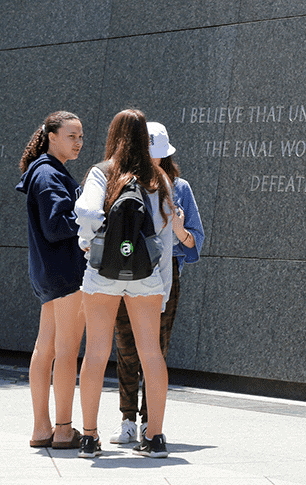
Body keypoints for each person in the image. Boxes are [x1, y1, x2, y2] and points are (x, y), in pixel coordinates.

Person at [75, 109, 174, 458]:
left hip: (103, 272)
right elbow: (165, 238)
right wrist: (161, 288)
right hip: (145, 275)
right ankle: (155, 437)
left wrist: (87, 240)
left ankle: (89, 437)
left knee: (97, 353)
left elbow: (86, 212)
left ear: (113, 134)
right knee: (152, 354)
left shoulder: (102, 173)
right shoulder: (158, 179)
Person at [109, 121, 204, 444]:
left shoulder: (179, 187)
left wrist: (178, 230)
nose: (155, 162)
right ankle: (126, 418)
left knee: (156, 348)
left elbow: (195, 242)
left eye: (160, 157)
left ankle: (152, 420)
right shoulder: (117, 181)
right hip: (123, 270)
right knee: (125, 346)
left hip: (166, 273)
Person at [16, 111, 86, 450]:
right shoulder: (48, 174)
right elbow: (57, 225)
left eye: (81, 136)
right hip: (66, 274)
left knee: (46, 349)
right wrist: (89, 213)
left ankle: (43, 429)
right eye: (71, 135)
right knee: (65, 351)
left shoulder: (45, 171)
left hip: (50, 274)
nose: (78, 142)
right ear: (51, 136)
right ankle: (62, 429)